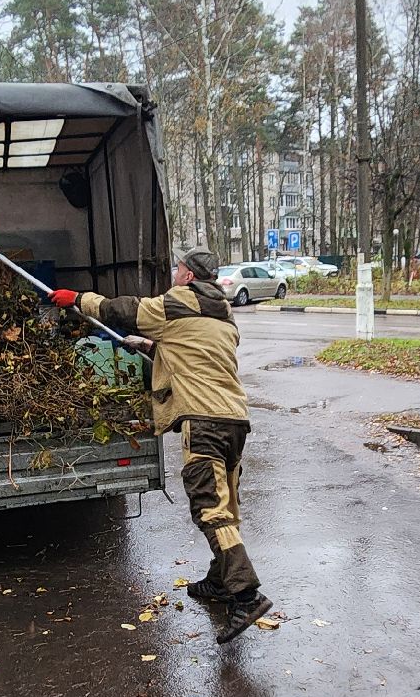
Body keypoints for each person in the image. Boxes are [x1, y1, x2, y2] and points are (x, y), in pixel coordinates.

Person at [49, 250, 274, 643]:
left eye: (177, 270)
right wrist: (153, 348)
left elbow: (125, 309)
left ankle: (246, 595)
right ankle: (219, 581)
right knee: (228, 505)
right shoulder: (223, 314)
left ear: (187, 275)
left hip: (203, 422)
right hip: (235, 421)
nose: (173, 275)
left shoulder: (178, 301)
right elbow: (193, 353)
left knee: (210, 509)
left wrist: (79, 299)